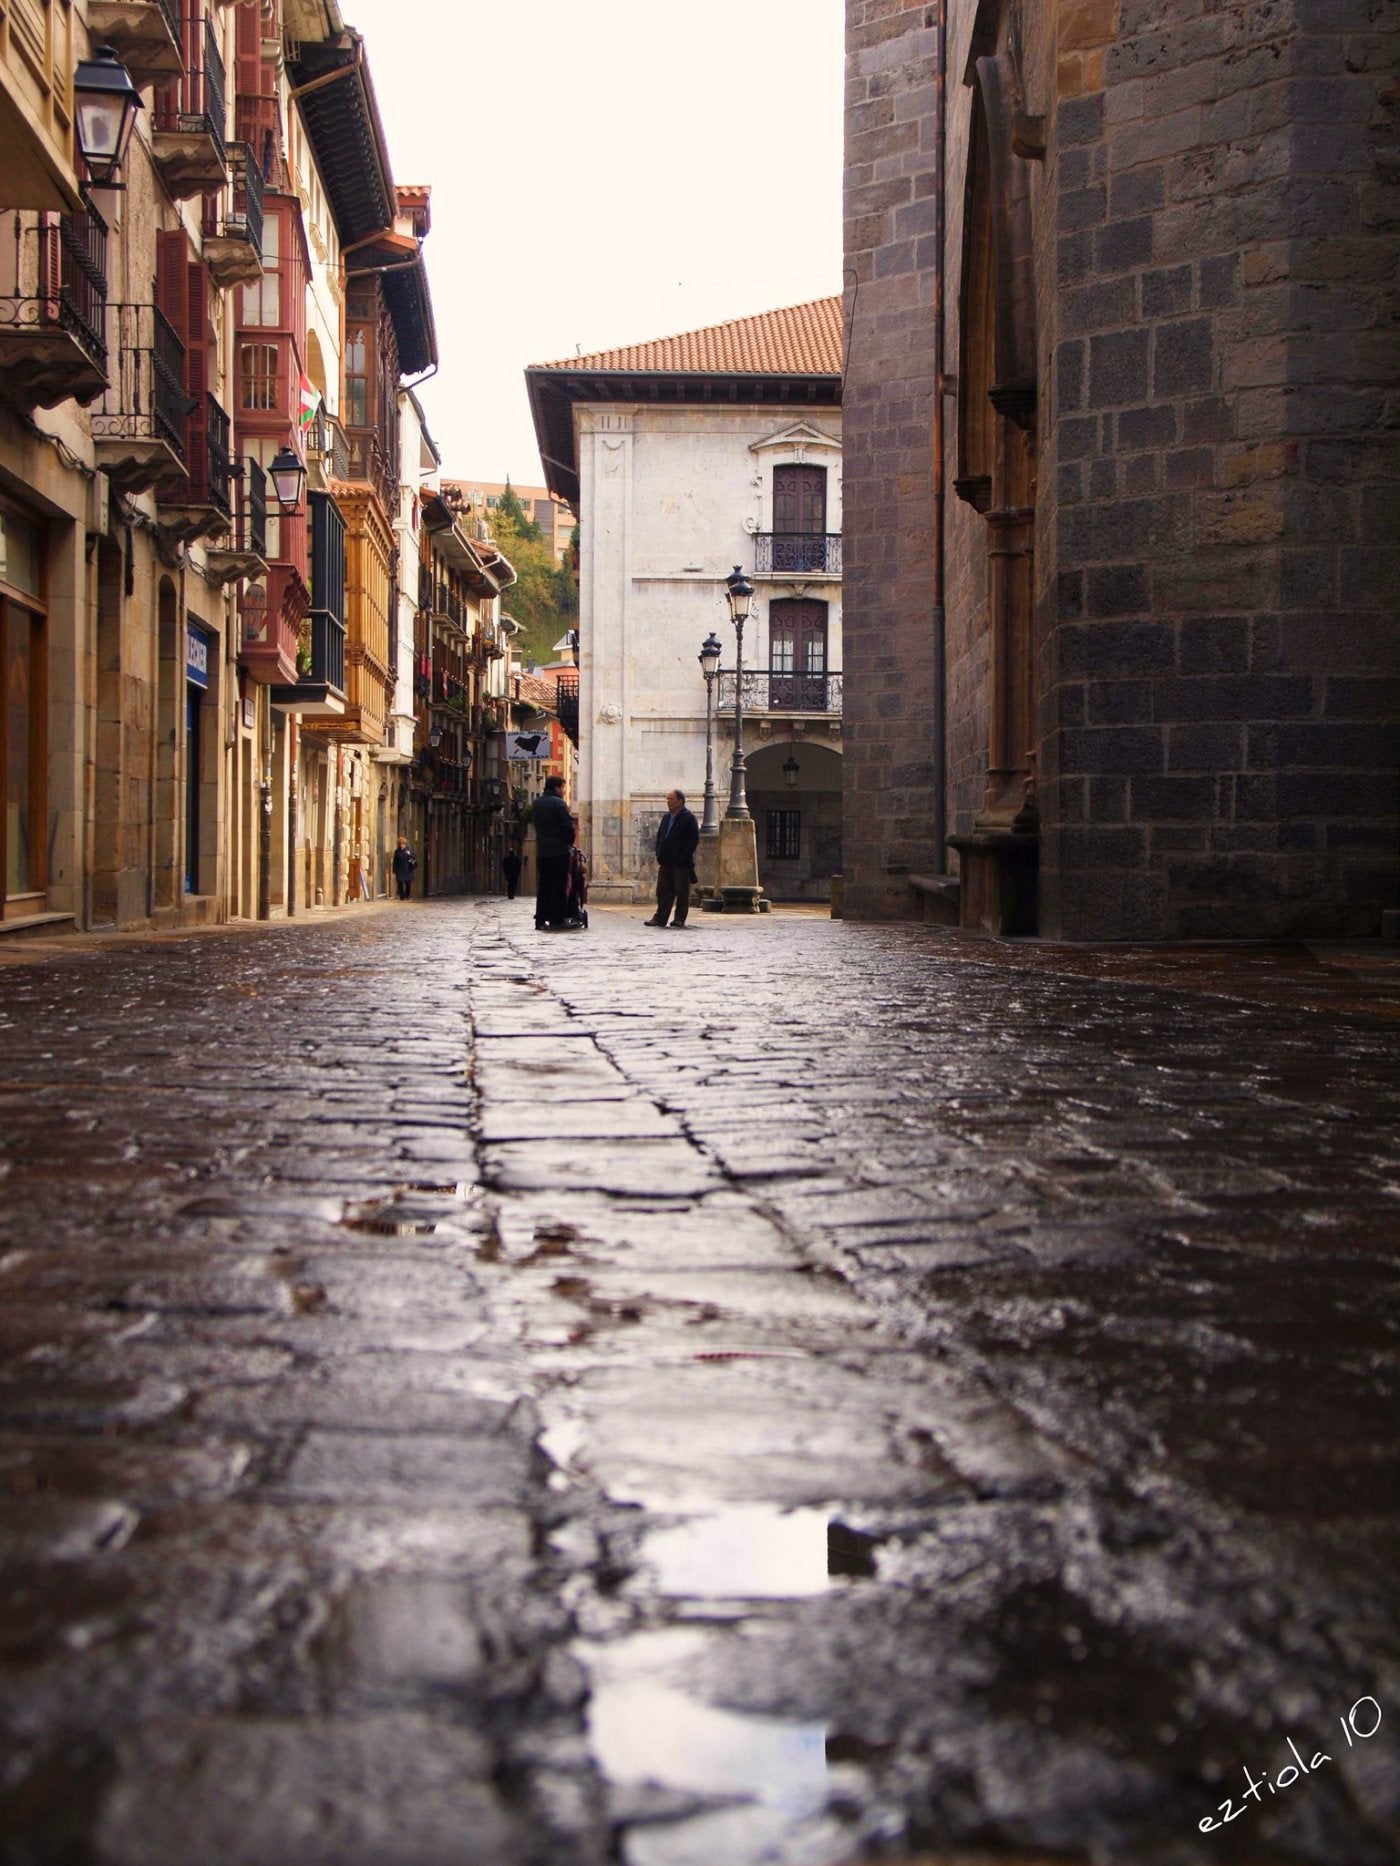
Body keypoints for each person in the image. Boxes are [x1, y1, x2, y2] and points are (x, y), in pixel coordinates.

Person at [646, 788, 700, 928]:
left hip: (681, 863)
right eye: (667, 799)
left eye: (671, 799)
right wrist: (659, 853)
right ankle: (660, 918)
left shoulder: (689, 818)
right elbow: (660, 837)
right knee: (663, 891)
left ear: (680, 801)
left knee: (682, 892)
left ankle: (679, 919)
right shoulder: (666, 817)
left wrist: (684, 857)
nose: (668, 802)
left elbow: (693, 840)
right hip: (665, 861)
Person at [532, 776, 575, 929]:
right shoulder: (558, 803)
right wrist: (569, 843)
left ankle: (540, 919)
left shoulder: (537, 803)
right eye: (563, 788)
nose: (564, 791)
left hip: (543, 851)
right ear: (557, 788)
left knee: (544, 886)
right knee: (559, 885)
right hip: (559, 851)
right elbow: (569, 827)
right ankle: (557, 918)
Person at [391, 835, 417, 901]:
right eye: (401, 844)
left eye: (403, 844)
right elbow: (395, 861)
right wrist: (394, 869)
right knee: (400, 884)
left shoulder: (408, 851)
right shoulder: (397, 851)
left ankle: (407, 895)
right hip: (400, 870)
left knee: (408, 883)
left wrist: (409, 854)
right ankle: (402, 897)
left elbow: (413, 858)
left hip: (408, 869)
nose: (402, 845)